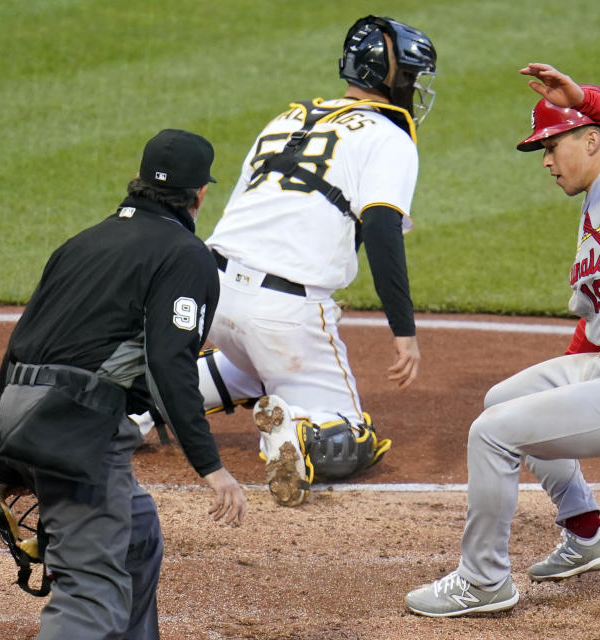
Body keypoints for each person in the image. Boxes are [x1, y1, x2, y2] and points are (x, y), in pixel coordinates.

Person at [405, 63, 600, 617]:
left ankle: (484, 581)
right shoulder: (599, 199)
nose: (545, 161)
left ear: (592, 140)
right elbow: (595, 318)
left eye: (552, 145)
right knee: (506, 403)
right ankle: (588, 533)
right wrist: (556, 394)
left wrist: (585, 97)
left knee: (492, 435)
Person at [131, 15, 438, 508]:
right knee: (358, 436)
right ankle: (300, 436)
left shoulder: (289, 118)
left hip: (211, 286)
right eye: (413, 75)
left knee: (255, 369)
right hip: (282, 313)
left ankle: (140, 404)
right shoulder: (389, 136)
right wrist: (404, 330)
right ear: (394, 77)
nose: (417, 85)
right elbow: (380, 230)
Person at [0, 129, 246, 639]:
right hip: (77, 425)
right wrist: (211, 467)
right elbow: (169, 361)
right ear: (200, 195)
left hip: (27, 407)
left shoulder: (82, 242)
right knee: (91, 595)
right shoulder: (185, 254)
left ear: (138, 181)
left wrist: (8, 448)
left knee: (135, 533)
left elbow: (24, 339)